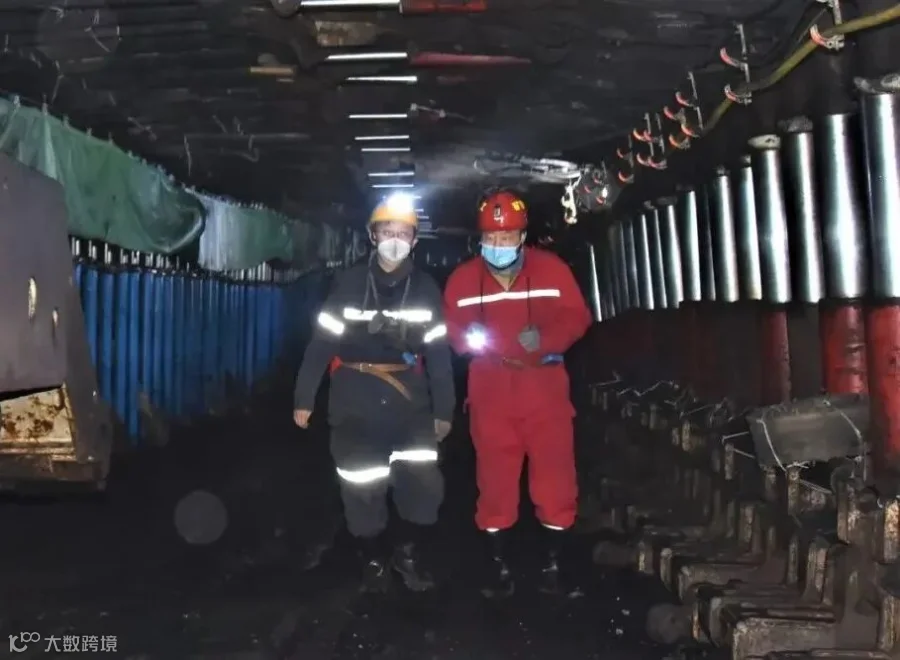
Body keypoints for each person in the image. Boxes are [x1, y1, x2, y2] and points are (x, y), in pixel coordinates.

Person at [293, 193, 455, 593]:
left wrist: (445, 409)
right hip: (354, 404)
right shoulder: (348, 284)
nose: (394, 241)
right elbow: (321, 344)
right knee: (362, 488)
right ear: (373, 236)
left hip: (410, 405)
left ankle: (407, 554)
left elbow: (438, 354)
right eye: (387, 232)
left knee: (424, 488)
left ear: (414, 240)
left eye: (403, 233)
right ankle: (373, 560)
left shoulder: (425, 289)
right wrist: (304, 397)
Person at [443, 190, 592, 598]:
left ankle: (554, 565)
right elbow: (450, 327)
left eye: (507, 237)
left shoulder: (552, 271)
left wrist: (546, 338)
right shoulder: (463, 280)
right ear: (480, 239)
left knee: (555, 480)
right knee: (495, 482)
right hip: (490, 388)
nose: (499, 245)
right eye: (491, 238)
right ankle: (498, 567)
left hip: (544, 387)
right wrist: (471, 339)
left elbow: (577, 317)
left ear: (522, 237)